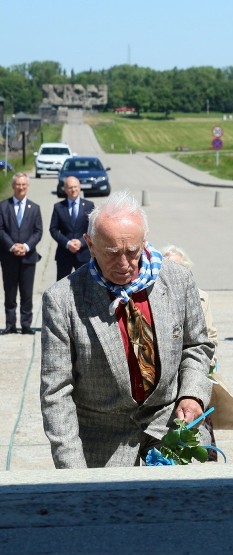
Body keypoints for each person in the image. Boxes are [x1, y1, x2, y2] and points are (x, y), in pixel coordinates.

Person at [40, 191, 214, 468]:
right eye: (111, 253)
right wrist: (72, 470)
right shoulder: (62, 300)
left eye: (132, 252)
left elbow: (196, 346)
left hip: (169, 425)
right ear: (90, 244)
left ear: (144, 242)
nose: (123, 264)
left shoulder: (178, 281)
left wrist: (192, 394)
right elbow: (56, 392)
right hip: (103, 442)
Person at [162, 245, 233, 434]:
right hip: (166, 375)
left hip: (193, 369)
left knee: (196, 426)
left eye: (176, 267)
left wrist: (209, 357)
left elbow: (210, 335)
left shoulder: (200, 297)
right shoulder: (154, 297)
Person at [0, 173, 42, 335]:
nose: (21, 187)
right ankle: (10, 324)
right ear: (13, 186)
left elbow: (38, 231)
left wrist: (25, 246)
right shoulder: (3, 206)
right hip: (9, 257)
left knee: (26, 293)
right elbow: (1, 229)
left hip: (28, 257)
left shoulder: (35, 208)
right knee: (9, 292)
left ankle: (26, 325)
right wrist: (12, 246)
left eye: (24, 184)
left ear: (28, 186)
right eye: (18, 184)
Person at [49, 176, 96, 280]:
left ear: (79, 188)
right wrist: (67, 243)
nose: (73, 190)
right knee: (61, 287)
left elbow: (93, 229)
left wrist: (81, 242)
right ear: (65, 189)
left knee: (86, 285)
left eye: (75, 187)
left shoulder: (89, 205)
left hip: (84, 254)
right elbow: (53, 229)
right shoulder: (58, 207)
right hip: (64, 254)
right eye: (70, 187)